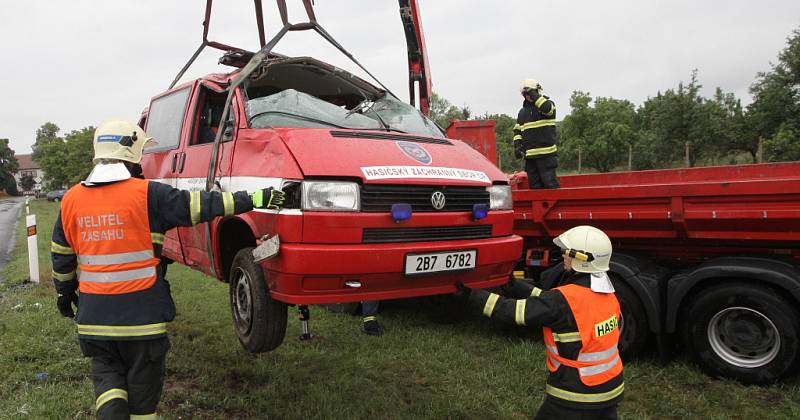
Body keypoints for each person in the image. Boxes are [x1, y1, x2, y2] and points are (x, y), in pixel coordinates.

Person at [50, 118, 286, 420]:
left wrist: (64, 292)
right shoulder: (149, 194)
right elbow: (206, 205)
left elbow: (61, 255)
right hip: (142, 322)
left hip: (95, 321)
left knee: (108, 380)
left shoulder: (71, 200)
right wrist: (255, 198)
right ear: (133, 154)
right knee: (143, 400)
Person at [458, 225, 623, 419]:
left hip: (576, 395)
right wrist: (514, 285)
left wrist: (470, 295)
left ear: (582, 260)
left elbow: (511, 312)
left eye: (567, 252)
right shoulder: (607, 294)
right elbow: (549, 302)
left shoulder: (563, 300)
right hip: (611, 389)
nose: (563, 256)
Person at [513, 79, 560, 189]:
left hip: (547, 156)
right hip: (530, 158)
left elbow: (547, 108)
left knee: (550, 186)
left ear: (536, 92)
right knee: (534, 189)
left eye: (530, 93)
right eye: (525, 94)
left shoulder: (547, 106)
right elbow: (517, 130)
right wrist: (517, 145)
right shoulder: (522, 112)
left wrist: (533, 94)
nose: (528, 96)